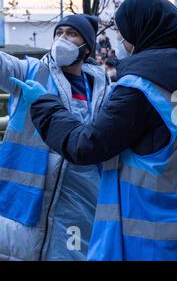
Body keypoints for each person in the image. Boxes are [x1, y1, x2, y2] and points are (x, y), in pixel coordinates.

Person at [20, 0, 177, 261]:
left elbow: (85, 145)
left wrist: (43, 105)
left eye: (123, 32)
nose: (119, 39)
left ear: (143, 30)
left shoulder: (139, 90)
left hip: (160, 242)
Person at [0, 14, 110, 260]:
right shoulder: (32, 71)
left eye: (71, 34)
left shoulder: (104, 87)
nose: (62, 39)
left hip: (82, 198)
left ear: (86, 47)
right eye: (59, 33)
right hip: (30, 198)